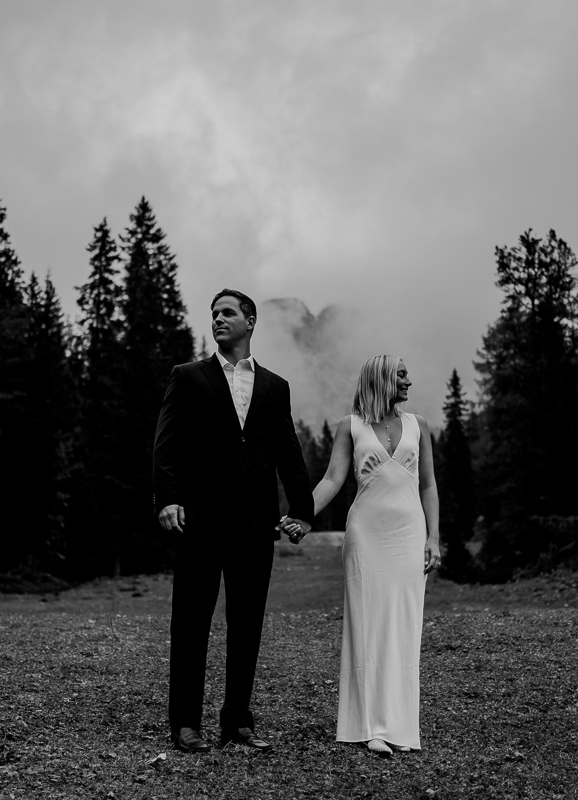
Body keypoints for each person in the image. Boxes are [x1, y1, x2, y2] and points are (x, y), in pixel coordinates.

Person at [153, 288, 314, 754]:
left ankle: (237, 723)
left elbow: (289, 451)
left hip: (254, 525)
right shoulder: (188, 377)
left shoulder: (274, 386)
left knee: (247, 623)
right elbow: (166, 444)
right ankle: (185, 724)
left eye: (227, 313)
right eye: (214, 314)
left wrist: (301, 511)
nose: (218, 320)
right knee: (190, 623)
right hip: (199, 520)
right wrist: (168, 499)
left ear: (250, 321)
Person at [281, 355, 440, 757]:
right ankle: (369, 726)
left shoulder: (417, 425)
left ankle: (401, 727)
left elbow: (427, 485)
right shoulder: (350, 426)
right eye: (402, 374)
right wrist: (302, 515)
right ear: (382, 378)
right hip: (365, 536)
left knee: (404, 626)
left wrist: (434, 536)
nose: (409, 380)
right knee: (367, 626)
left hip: (408, 535)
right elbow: (333, 479)